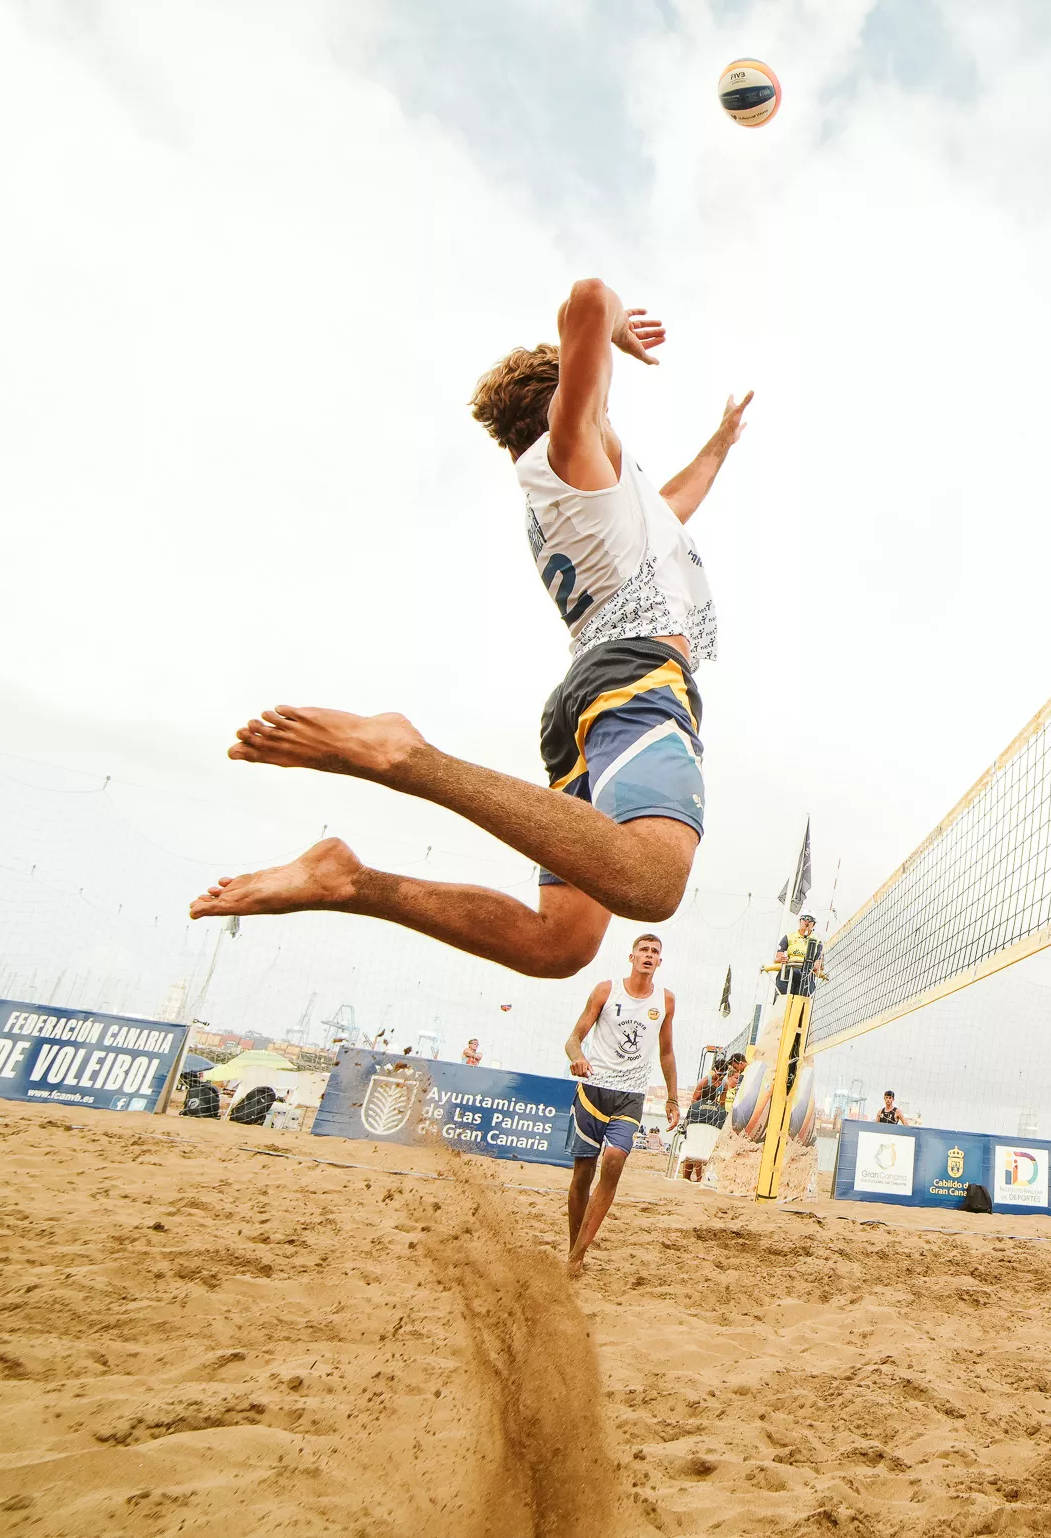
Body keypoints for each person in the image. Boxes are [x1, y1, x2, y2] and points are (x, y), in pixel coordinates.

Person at [188, 278, 753, 982]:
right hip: (633, 680)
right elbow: (586, 297)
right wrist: (610, 332)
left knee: (559, 946)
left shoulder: (591, 499)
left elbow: (669, 510)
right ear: (575, 405)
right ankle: (406, 757)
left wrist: (720, 445)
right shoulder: (571, 447)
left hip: (588, 698)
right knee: (652, 884)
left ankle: (349, 882)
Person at [562, 933, 678, 1278]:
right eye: (643, 950)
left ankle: (577, 1256)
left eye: (655, 951)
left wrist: (672, 1097)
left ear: (660, 962)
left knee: (614, 1161)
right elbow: (573, 1038)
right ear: (631, 957)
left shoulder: (666, 1000)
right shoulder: (605, 991)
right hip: (593, 1090)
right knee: (583, 1174)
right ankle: (573, 1247)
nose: (648, 955)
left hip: (630, 1096)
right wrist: (577, 1057)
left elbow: (667, 1051)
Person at [773, 913, 828, 997]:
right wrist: (782, 959)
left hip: (807, 974)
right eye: (804, 919)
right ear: (800, 921)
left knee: (803, 1000)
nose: (807, 922)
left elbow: (818, 964)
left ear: (813, 924)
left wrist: (816, 966)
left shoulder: (818, 942)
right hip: (788, 971)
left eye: (810, 920)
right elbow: (777, 957)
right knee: (783, 998)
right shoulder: (789, 937)